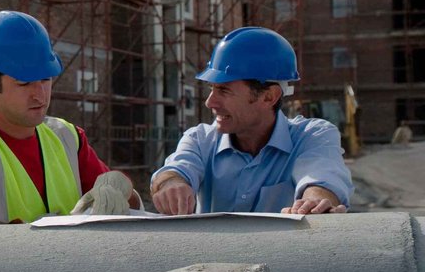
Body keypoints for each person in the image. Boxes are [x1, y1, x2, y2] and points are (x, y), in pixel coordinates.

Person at [0, 10, 136, 225]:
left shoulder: (67, 137)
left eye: (46, 79)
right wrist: (13, 237)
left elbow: (128, 203)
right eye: (24, 83)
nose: (40, 95)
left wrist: (124, 189)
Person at [150, 26, 353, 215]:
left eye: (224, 90)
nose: (210, 102)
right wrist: (170, 184)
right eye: (211, 89)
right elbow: (175, 170)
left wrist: (314, 202)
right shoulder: (200, 140)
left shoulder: (312, 136)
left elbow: (322, 175)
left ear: (268, 97)